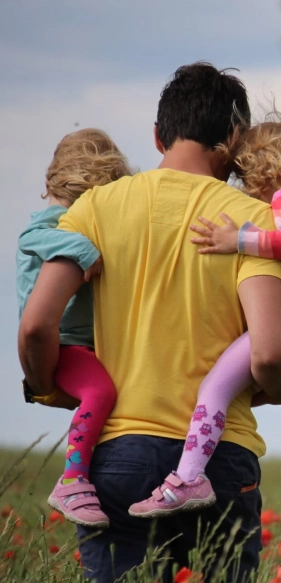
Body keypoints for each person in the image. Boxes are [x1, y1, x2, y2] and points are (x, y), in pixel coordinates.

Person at [18, 62, 281, 583]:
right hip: (219, 460)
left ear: (157, 136)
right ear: (235, 140)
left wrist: (46, 386)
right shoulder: (253, 222)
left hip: (118, 455)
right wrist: (275, 389)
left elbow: (36, 326)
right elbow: (270, 354)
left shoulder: (93, 209)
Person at [129, 116, 281, 517]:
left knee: (213, 389)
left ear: (266, 170)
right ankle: (201, 456)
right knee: (235, 391)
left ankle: (188, 479)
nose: (250, 192)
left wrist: (236, 239)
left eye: (248, 180)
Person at [17, 129, 132, 528]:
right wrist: (83, 249)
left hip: (82, 344)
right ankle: (72, 479)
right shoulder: (53, 223)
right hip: (64, 344)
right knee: (100, 392)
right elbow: (32, 238)